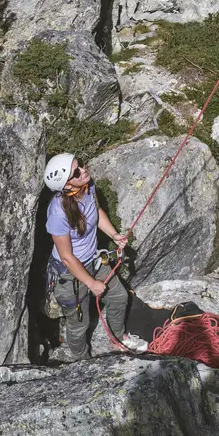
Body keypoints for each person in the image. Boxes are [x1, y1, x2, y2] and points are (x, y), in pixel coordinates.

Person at [44, 151, 130, 361]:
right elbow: (66, 257)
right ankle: (82, 361)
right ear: (66, 186)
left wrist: (114, 234)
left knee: (119, 297)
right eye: (76, 171)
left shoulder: (88, 187)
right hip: (70, 275)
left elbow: (96, 213)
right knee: (79, 324)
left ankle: (117, 339)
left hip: (93, 259)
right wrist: (91, 283)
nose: (83, 170)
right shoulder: (58, 212)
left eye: (80, 164)